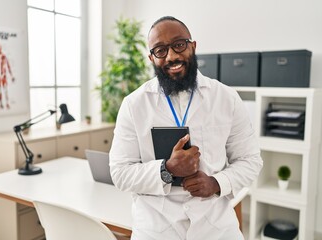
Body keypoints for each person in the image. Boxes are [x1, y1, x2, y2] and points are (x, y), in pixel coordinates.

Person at [109, 16, 263, 240]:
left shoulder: (226, 98)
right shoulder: (134, 105)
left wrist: (216, 183)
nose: (171, 56)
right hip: (156, 230)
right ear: (151, 58)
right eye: (160, 50)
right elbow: (120, 173)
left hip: (216, 229)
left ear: (193, 46)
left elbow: (251, 161)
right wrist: (167, 170)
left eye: (179, 45)